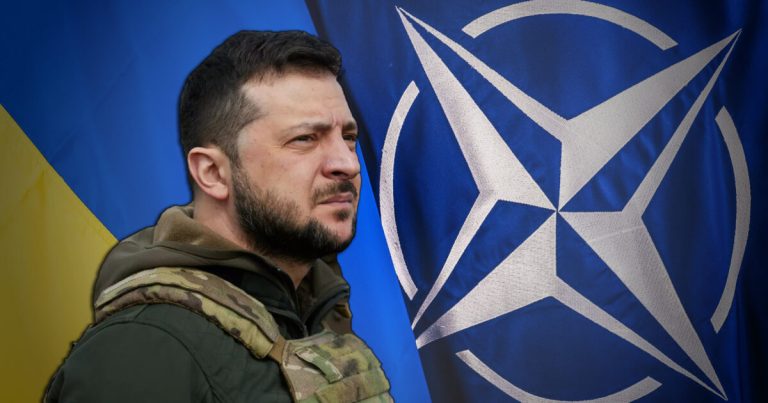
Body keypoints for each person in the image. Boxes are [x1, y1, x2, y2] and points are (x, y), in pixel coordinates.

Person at [45, 30, 392, 403]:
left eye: (348, 137)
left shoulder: (315, 313)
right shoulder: (141, 352)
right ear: (212, 173)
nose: (347, 163)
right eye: (305, 138)